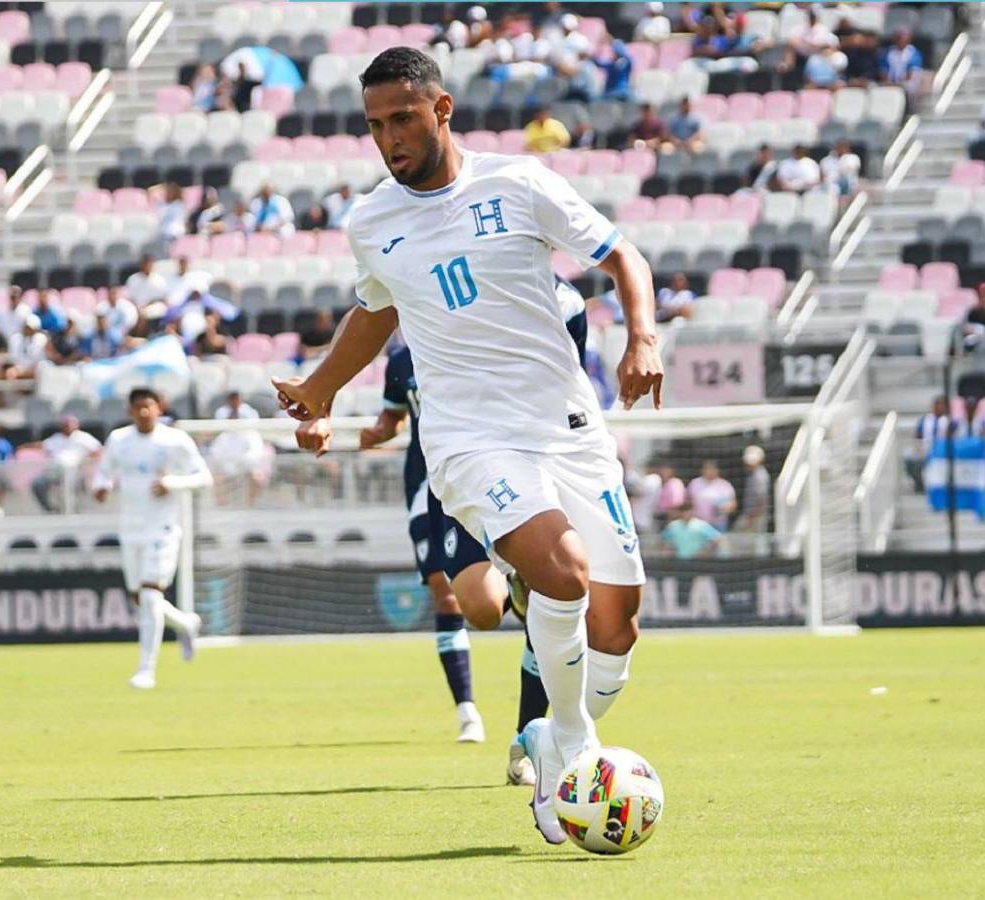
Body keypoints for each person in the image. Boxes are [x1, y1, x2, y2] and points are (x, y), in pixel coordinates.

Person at [270, 47, 663, 846]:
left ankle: (554, 733)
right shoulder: (371, 220)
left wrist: (642, 339)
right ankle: (571, 751)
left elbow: (622, 255)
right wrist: (320, 387)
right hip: (469, 440)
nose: (389, 139)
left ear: (442, 110)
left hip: (568, 428)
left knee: (616, 627)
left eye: (403, 119)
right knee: (563, 572)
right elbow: (376, 311)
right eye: (375, 126)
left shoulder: (518, 183)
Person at [295, 276, 592, 778]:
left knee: (553, 586)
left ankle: (530, 736)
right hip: (442, 481)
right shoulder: (402, 361)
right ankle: (478, 689)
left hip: (518, 466)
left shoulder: (526, 320)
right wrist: (360, 431)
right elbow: (390, 416)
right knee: (478, 608)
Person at [92, 389, 213, 690]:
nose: (144, 412)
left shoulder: (175, 440)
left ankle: (146, 671)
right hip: (130, 529)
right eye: (138, 407)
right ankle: (186, 623)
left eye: (149, 406)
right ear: (130, 412)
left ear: (159, 408)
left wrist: (172, 483)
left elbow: (204, 477)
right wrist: (101, 486)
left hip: (163, 529)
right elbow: (103, 472)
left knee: (149, 597)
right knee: (142, 600)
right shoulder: (119, 439)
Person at [29, 415, 103, 513]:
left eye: (71, 424)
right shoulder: (56, 438)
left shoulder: (84, 438)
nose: (68, 426)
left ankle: (78, 510)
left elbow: (98, 450)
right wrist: (24, 447)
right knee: (38, 483)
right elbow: (42, 446)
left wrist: (88, 463)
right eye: (65, 424)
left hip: (77, 471)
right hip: (55, 471)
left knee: (78, 486)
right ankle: (49, 510)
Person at [906, 395, 956, 492]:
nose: (938, 407)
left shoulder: (950, 421)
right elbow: (917, 435)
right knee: (909, 457)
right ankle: (919, 484)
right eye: (936, 405)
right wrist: (918, 446)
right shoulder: (925, 420)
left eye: (941, 405)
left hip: (943, 451)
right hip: (926, 449)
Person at [734, 444, 771, 541]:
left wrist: (751, 518)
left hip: (755, 517)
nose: (749, 464)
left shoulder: (759, 476)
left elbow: (761, 499)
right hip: (752, 515)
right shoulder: (753, 474)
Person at [687, 460, 737, 531]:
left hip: (719, 523)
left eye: (712, 469)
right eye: (707, 469)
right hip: (699, 523)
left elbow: (733, 505)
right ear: (702, 470)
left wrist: (724, 508)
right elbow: (687, 501)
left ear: (717, 471)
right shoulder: (695, 483)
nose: (709, 471)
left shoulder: (725, 485)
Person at [880, 28, 923, 98]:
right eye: (899, 38)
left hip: (907, 86)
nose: (901, 41)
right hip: (890, 85)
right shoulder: (888, 52)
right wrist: (890, 83)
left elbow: (912, 74)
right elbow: (884, 72)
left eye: (904, 38)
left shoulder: (914, 53)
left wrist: (900, 83)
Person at [5, 314, 48, 379]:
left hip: (35, 369)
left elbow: (41, 360)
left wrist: (29, 369)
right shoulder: (15, 338)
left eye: (29, 328)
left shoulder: (42, 340)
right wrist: (20, 369)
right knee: (10, 373)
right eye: (26, 327)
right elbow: (13, 359)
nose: (27, 330)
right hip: (18, 369)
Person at [155, 182, 189, 252]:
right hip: (163, 235)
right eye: (167, 192)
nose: (167, 193)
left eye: (170, 192)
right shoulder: (161, 205)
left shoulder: (179, 204)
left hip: (176, 234)